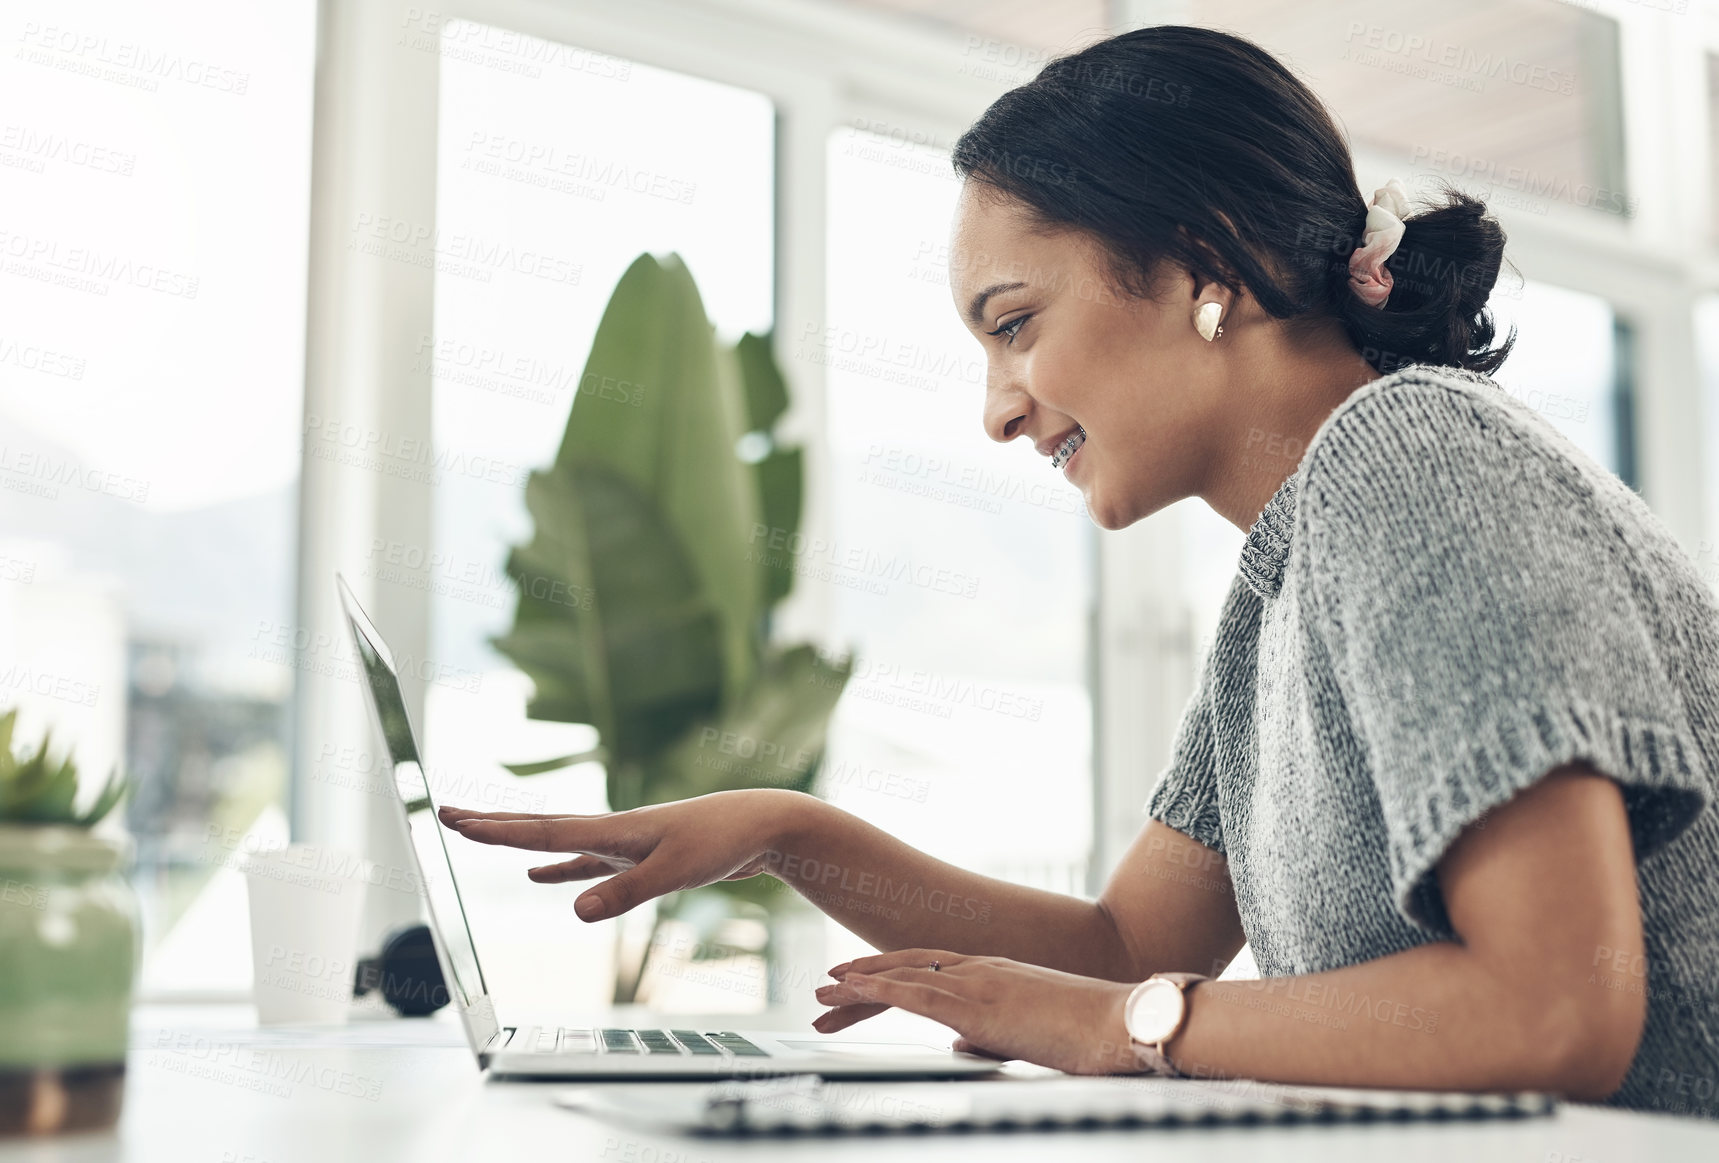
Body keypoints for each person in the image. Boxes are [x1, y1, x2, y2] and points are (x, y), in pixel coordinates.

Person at [439, 25, 1719, 1116]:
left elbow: (1551, 1006)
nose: (998, 411)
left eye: (1014, 324)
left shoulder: (1415, 456)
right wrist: (790, 831)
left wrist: (1123, 1027)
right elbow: (1126, 947)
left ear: (1202, 265)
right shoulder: (1290, 572)